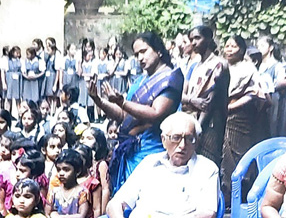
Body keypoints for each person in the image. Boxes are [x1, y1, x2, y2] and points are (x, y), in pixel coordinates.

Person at [67, 112, 218, 218]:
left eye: (189, 138)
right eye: (176, 138)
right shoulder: (149, 163)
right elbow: (114, 204)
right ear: (163, 139)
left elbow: (209, 214)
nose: (182, 145)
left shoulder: (206, 169)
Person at [91, 31, 184, 192]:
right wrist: (99, 100)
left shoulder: (169, 79)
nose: (140, 58)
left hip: (153, 150)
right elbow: (123, 115)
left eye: (144, 51)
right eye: (136, 54)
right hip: (131, 150)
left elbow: (156, 113)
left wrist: (123, 102)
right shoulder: (140, 80)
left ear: (158, 50)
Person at [220, 34, 266, 200]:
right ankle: (227, 194)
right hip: (222, 113)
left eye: (234, 46)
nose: (229, 49)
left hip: (240, 116)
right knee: (224, 153)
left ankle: (241, 192)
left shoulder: (248, 68)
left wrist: (233, 106)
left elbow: (255, 94)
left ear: (241, 49)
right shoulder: (222, 66)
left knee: (238, 152)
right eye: (227, 46)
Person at [180, 25, 230, 168]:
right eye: (191, 39)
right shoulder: (194, 66)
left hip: (210, 123)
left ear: (208, 39)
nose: (193, 43)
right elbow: (182, 96)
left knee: (207, 164)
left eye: (197, 38)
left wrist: (198, 128)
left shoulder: (219, 65)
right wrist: (192, 100)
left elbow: (209, 102)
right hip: (191, 120)